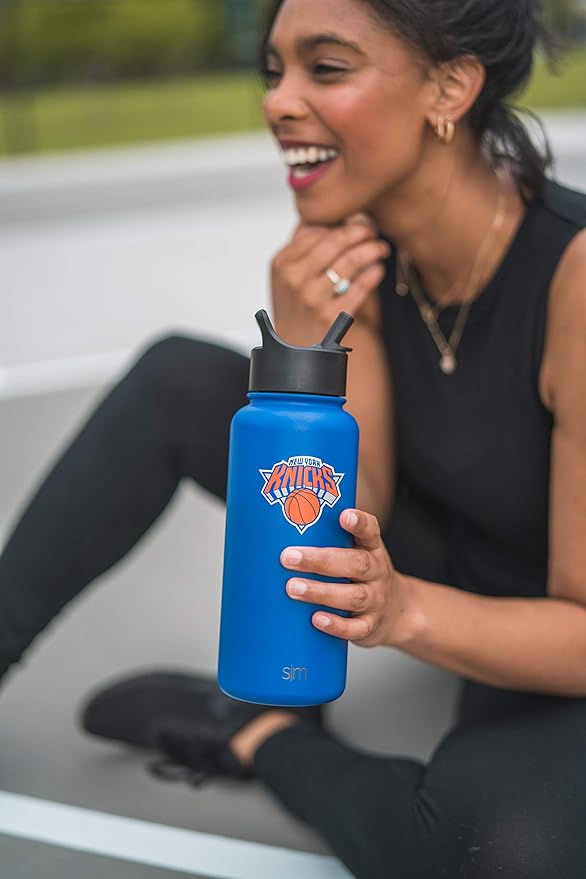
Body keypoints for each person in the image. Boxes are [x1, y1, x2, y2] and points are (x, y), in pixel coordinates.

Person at [1, 0, 586, 875]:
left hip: (555, 629)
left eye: (328, 66)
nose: (278, 101)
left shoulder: (574, 278)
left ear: (450, 88)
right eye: (274, 70)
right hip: (449, 554)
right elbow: (356, 505)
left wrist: (403, 610)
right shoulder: (357, 251)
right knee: (177, 378)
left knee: (498, 855)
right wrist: (311, 358)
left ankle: (264, 736)